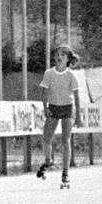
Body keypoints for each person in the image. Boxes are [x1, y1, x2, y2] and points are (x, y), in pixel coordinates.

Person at [36, 44, 81, 188]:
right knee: (47, 137)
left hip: (67, 108)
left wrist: (78, 115)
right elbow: (43, 92)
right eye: (57, 54)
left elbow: (77, 96)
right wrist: (45, 108)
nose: (59, 57)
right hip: (53, 107)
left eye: (62, 54)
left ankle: (66, 172)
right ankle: (48, 161)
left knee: (65, 140)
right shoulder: (49, 73)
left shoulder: (71, 75)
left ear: (68, 59)